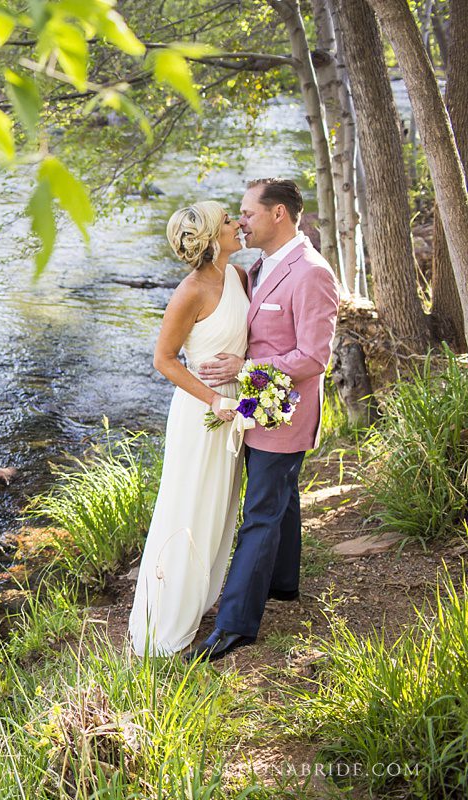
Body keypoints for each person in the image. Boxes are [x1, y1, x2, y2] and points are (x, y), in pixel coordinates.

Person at [184, 178, 339, 663]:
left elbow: (315, 357)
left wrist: (245, 369)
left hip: (284, 414)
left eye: (248, 213)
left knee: (260, 515)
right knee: (280, 498)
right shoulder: (258, 265)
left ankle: (235, 626)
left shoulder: (312, 272)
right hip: (255, 409)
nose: (242, 221)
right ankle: (284, 584)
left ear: (278, 215)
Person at [128, 200, 250, 657]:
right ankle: (164, 621)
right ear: (213, 238)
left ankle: (202, 599)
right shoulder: (190, 292)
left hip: (234, 406)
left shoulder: (237, 277)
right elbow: (163, 360)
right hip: (202, 413)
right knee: (188, 506)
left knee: (220, 508)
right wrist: (215, 399)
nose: (238, 225)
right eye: (229, 221)